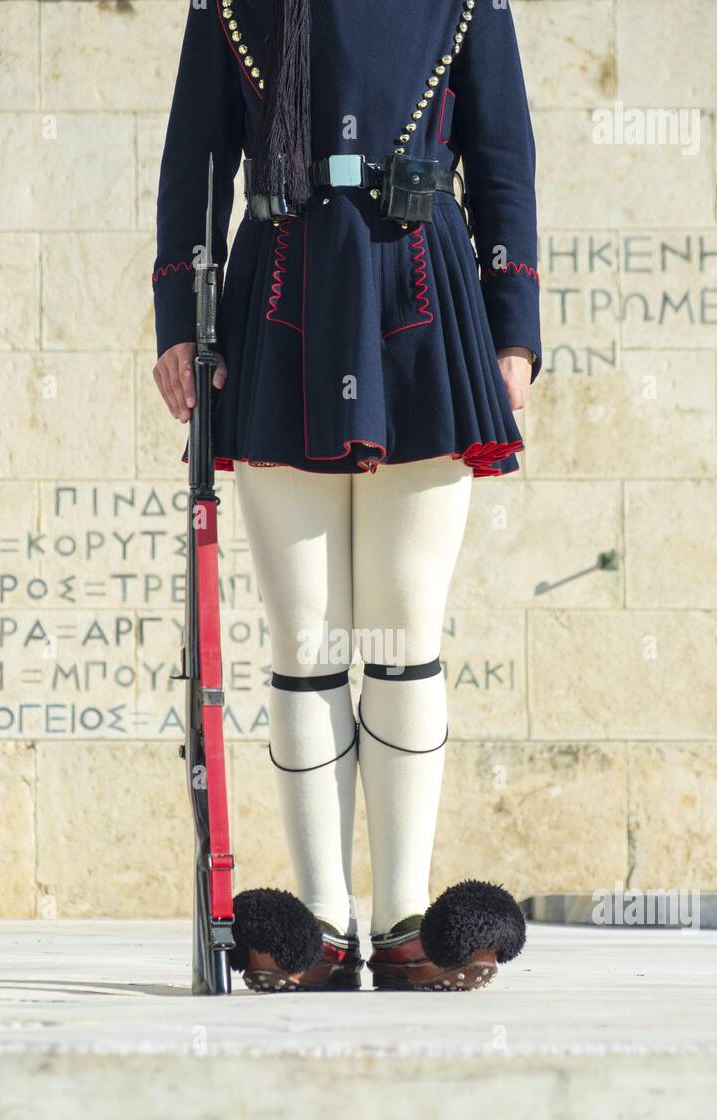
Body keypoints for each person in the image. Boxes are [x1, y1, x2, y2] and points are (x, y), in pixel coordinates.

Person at [153, 0, 539, 991]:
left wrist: (512, 330)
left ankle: (408, 918)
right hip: (283, 290)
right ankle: (320, 921)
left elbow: (501, 161)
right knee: (307, 632)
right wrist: (177, 320)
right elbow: (197, 158)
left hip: (422, 283)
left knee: (404, 624)